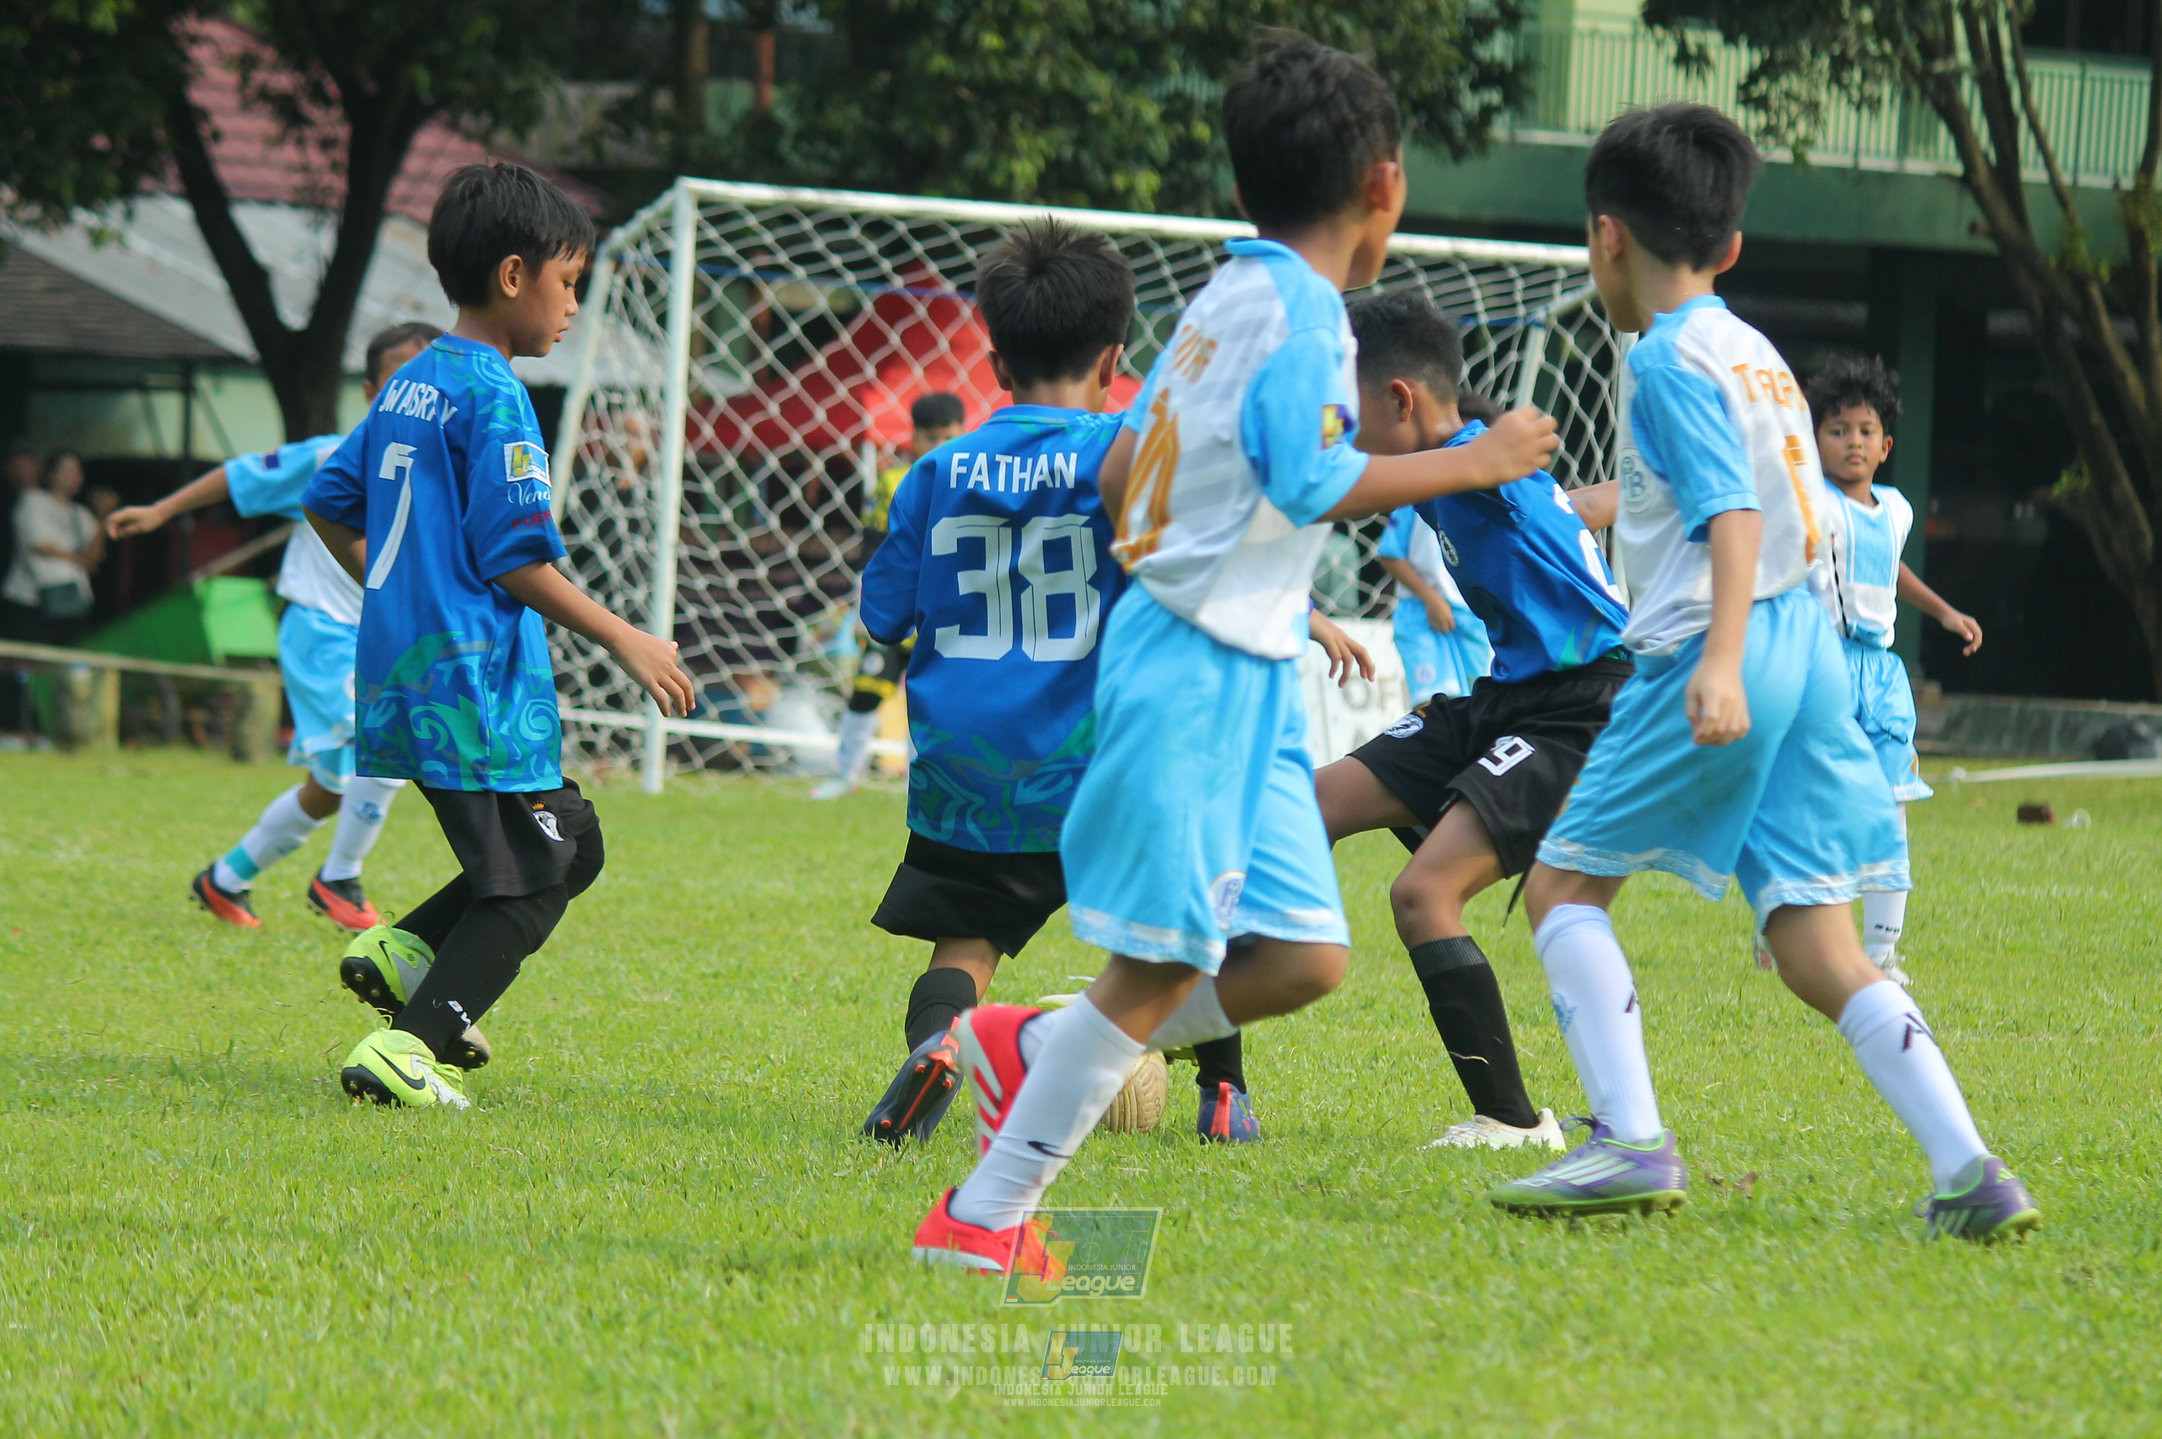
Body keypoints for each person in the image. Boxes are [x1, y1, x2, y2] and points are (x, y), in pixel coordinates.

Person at [910, 33, 1562, 1270]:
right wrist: (1475, 458)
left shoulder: (1221, 297)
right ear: (1385, 183)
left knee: (1305, 957)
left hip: (1243, 667)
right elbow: (1308, 475)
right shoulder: (1306, 315)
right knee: (1162, 958)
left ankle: (1037, 1047)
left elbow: (1115, 466)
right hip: (1197, 667)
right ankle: (982, 1216)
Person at [1487, 103, 2037, 1242]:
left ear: (1604, 237)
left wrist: (1720, 661)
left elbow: (1730, 513)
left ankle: (1627, 1141)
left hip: (1715, 643)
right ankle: (1968, 1169)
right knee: (1814, 943)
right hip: (1812, 649)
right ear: (1729, 246)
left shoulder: (1669, 357)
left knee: (1559, 888)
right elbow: (1732, 508)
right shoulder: (1753, 352)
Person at [303, 162, 694, 1108]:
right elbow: (516, 561)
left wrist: (402, 594)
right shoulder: (496, 395)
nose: (573, 308)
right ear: (515, 277)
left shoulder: (412, 381)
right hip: (472, 683)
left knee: (570, 840)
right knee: (533, 876)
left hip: (403, 675)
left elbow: (328, 500)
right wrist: (627, 639)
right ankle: (411, 1048)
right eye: (568, 284)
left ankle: (405, 950)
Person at [1305, 290, 1633, 1151]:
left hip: (1580, 708)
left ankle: (1514, 1121)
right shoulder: (1472, 467)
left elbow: (1493, 490)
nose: (1339, 427)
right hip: (1502, 697)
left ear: (1401, 400)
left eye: (1348, 407)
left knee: (1422, 894)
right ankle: (1209, 1051)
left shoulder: (1472, 467)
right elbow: (1572, 508)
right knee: (1303, 808)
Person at [109, 323, 446, 931]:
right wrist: (161, 510)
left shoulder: (437, 478)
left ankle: (225, 879)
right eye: (397, 378)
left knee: (332, 784)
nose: (409, 391)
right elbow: (241, 476)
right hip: (321, 633)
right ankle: (338, 880)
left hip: (382, 641)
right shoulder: (331, 457)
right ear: (372, 391)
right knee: (390, 745)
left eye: (424, 379)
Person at [1806, 355, 1981, 985]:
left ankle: (1882, 951)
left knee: (1891, 804)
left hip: (1881, 677)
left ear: (1886, 445)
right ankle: (1785, 922)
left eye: (1864, 430)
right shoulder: (1810, 505)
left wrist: (1944, 612)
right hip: (1819, 669)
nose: (1852, 441)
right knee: (1816, 802)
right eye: (1836, 429)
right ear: (1813, 438)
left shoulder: (1899, 509)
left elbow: (1892, 568)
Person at [810, 392, 967, 802]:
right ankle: (846, 774)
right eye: (931, 438)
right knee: (867, 687)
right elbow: (875, 547)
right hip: (901, 611)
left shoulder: (972, 479)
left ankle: (922, 780)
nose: (941, 446)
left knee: (932, 700)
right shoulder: (894, 481)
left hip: (947, 612)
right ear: (913, 438)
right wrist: (868, 602)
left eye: (950, 436)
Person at [1375, 502, 1490, 701]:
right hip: (1421, 611)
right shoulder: (1415, 496)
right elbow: (1389, 554)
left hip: (1473, 613)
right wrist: (1430, 597)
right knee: (1431, 705)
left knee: (1477, 700)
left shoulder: (1483, 493)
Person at [5, 451, 111, 649]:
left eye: (77, 471)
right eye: (66, 470)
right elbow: (41, 545)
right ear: (49, 474)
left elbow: (94, 557)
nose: (73, 476)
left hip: (71, 604)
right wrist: (79, 560)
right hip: (32, 603)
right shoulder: (33, 501)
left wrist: (102, 517)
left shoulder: (82, 514)